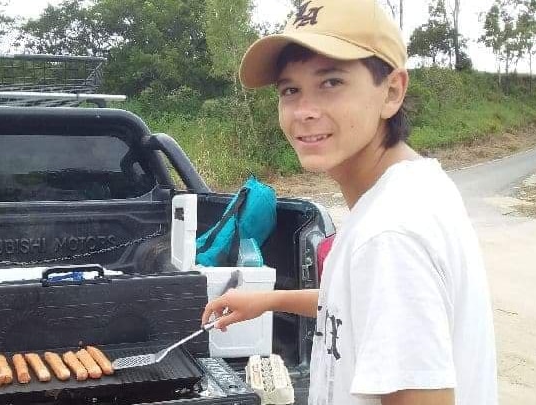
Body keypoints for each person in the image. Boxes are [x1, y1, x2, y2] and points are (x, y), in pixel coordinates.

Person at [201, 0, 498, 404]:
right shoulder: (411, 189)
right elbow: (363, 303)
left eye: (331, 82)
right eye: (291, 90)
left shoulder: (390, 235)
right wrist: (267, 301)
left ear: (392, 91)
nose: (304, 111)